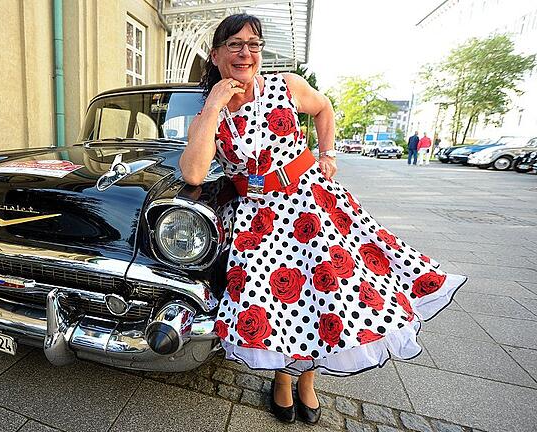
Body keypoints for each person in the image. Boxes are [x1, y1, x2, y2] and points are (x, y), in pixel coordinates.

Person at [181, 13, 466, 426]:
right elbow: (193, 172)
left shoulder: (286, 87)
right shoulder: (209, 114)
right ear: (216, 54)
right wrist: (212, 106)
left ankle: (309, 379)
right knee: (279, 303)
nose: (246, 53)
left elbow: (325, 107)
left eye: (254, 44)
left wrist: (328, 153)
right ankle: (282, 379)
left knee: (327, 291)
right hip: (257, 217)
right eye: (235, 45)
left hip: (311, 202)